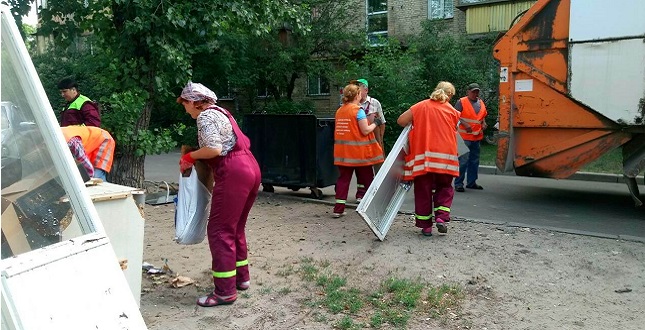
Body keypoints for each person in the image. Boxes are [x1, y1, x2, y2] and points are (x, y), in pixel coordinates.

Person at [176, 82, 261, 307]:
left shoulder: (205, 117)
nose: (185, 109)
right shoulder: (224, 112)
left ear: (194, 102)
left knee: (220, 230)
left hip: (233, 171)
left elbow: (213, 149)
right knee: (235, 228)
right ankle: (242, 279)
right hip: (250, 167)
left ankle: (224, 292)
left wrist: (190, 157)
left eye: (185, 104)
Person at [396, 81, 460, 236]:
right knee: (444, 188)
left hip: (424, 159)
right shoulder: (453, 111)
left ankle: (426, 226)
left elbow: (401, 121)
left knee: (423, 191)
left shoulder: (421, 106)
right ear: (449, 95)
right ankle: (442, 218)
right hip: (446, 159)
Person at [332, 84, 383, 217]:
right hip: (359, 154)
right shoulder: (358, 111)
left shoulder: (340, 111)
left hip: (343, 154)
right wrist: (375, 123)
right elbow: (365, 130)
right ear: (357, 96)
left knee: (343, 180)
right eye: (359, 93)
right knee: (368, 181)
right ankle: (374, 207)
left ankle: (338, 209)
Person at [352, 78, 386, 200]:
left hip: (373, 141)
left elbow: (382, 122)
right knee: (362, 169)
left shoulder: (374, 103)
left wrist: (380, 141)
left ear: (365, 89)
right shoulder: (351, 104)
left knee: (378, 166)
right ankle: (361, 194)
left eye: (358, 88)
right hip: (358, 143)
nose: (355, 90)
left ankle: (379, 194)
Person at [453, 83, 487, 192]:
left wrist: (484, 123)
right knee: (463, 160)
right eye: (473, 91)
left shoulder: (480, 103)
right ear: (468, 92)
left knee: (474, 161)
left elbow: (482, 117)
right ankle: (458, 183)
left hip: (476, 137)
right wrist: (465, 124)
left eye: (477, 91)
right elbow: (454, 116)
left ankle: (471, 182)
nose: (475, 94)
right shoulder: (461, 102)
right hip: (463, 137)